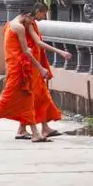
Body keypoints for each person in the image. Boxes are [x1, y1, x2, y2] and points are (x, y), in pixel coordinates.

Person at [0, 3, 49, 144]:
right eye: (32, 20)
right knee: (6, 99)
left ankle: (35, 133)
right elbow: (26, 51)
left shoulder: (10, 24)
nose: (32, 24)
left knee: (27, 98)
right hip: (17, 68)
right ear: (27, 16)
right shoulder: (19, 27)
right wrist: (40, 68)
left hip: (18, 67)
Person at [15, 12, 72, 141]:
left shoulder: (29, 23)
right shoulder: (25, 25)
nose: (44, 17)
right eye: (43, 13)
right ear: (36, 12)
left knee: (38, 95)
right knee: (36, 96)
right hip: (31, 64)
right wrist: (60, 51)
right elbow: (38, 43)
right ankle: (37, 128)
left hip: (35, 61)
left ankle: (25, 129)